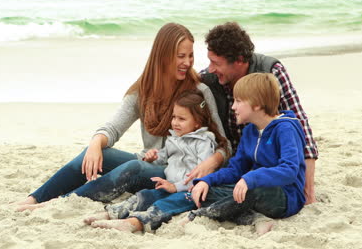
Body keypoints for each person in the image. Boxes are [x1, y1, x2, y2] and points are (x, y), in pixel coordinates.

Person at [0, 23, 230, 212]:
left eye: (190, 56)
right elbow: (113, 127)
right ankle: (33, 199)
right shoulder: (143, 90)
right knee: (94, 153)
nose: (187, 62)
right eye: (181, 56)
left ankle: (59, 203)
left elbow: (223, 144)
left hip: (176, 174)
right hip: (150, 162)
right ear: (163, 55)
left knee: (134, 167)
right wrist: (95, 143)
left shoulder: (199, 91)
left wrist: (211, 162)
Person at [189, 22, 318, 204]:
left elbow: (301, 127)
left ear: (240, 60)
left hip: (273, 172)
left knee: (253, 195)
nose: (210, 69)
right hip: (236, 162)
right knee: (206, 192)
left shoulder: (270, 73)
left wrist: (308, 191)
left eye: (216, 63)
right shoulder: (209, 79)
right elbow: (182, 107)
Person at [84, 90, 230, 232]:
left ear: (197, 123)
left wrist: (176, 187)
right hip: (169, 186)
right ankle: (112, 213)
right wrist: (154, 157)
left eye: (182, 119)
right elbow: (164, 157)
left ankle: (134, 223)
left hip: (190, 191)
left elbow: (200, 177)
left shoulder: (203, 143)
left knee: (165, 204)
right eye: (174, 117)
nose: (175, 123)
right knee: (146, 194)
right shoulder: (174, 139)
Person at [188, 73, 307, 234]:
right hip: (254, 191)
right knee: (203, 193)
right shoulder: (250, 130)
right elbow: (235, 170)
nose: (233, 107)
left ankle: (200, 216)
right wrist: (206, 181)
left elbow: (289, 170)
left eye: (238, 101)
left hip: (285, 196)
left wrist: (251, 178)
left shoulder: (286, 129)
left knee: (253, 191)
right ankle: (256, 219)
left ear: (256, 104)